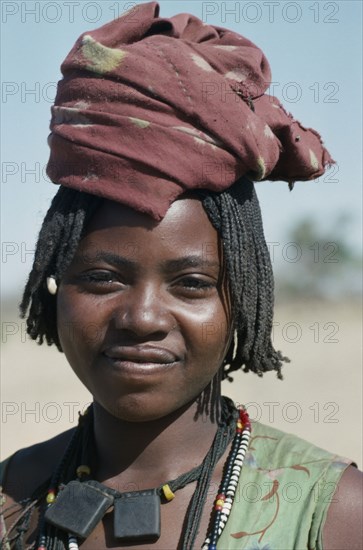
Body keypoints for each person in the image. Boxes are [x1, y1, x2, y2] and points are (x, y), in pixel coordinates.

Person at [0, 2, 361, 549]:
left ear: (241, 299)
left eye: (191, 283)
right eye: (102, 278)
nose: (142, 317)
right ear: (55, 287)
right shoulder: (12, 496)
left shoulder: (333, 515)